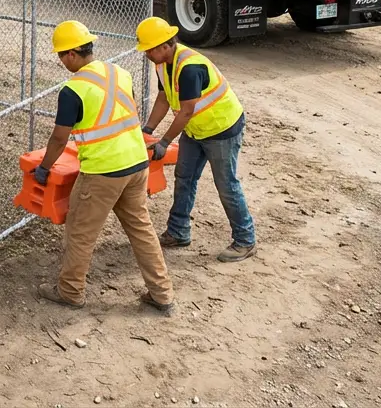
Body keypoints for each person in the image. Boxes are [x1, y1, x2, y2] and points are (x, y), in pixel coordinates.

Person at [32, 20, 175, 314]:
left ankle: (70, 291)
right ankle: (162, 293)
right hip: (136, 163)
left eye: (61, 55)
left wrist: (44, 168)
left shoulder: (73, 90)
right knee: (141, 229)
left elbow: (60, 138)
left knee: (81, 232)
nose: (61, 62)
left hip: (102, 172)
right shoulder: (119, 73)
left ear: (71, 54)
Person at [136, 16, 257, 262]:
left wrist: (164, 142)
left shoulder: (189, 68)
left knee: (226, 185)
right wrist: (147, 129)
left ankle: (245, 240)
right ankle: (178, 231)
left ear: (165, 46)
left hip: (221, 129)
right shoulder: (162, 64)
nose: (146, 54)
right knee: (185, 177)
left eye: (149, 49)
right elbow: (163, 98)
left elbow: (186, 111)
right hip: (196, 130)